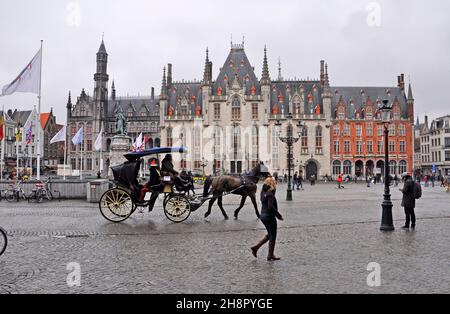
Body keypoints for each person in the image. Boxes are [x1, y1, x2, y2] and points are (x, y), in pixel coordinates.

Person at [250, 176, 283, 261]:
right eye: (274, 183)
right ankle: (270, 255)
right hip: (269, 216)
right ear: (272, 184)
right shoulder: (270, 194)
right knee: (273, 236)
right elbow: (271, 207)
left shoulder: (262, 192)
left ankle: (256, 247)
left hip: (263, 215)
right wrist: (278, 216)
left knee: (270, 234)